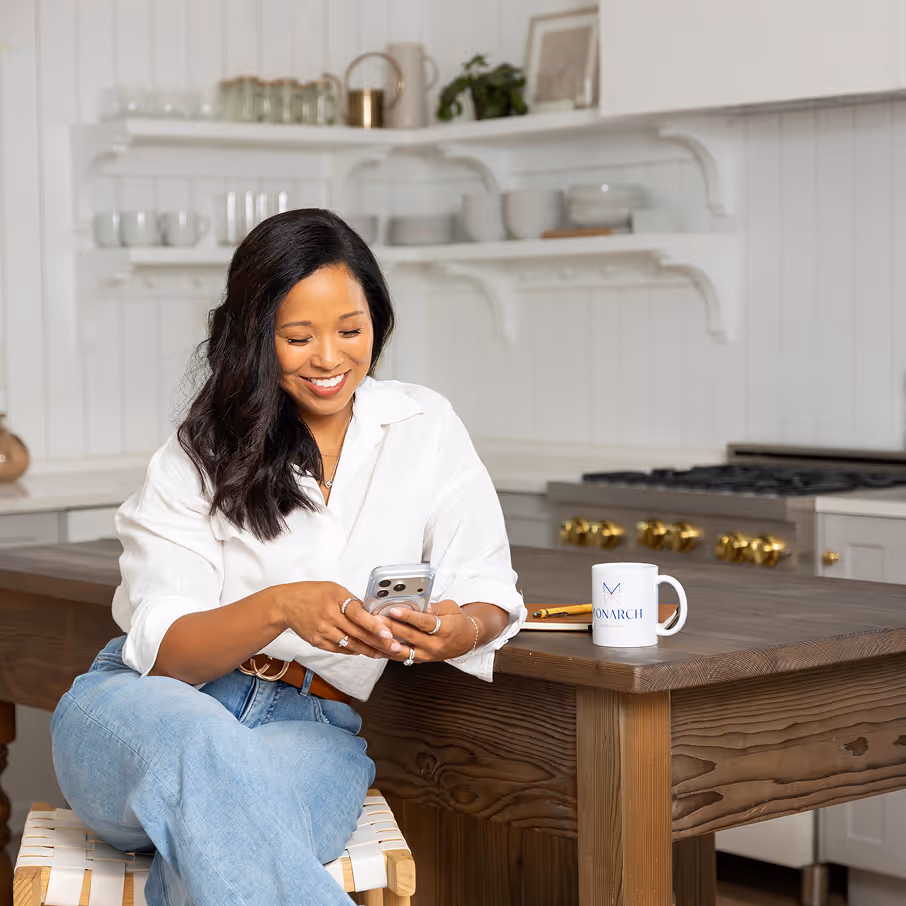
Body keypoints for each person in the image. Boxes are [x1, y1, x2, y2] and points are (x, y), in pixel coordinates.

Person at [50, 209, 526, 906]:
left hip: (311, 730)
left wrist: (462, 629)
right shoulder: (198, 455)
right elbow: (166, 652)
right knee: (202, 754)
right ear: (255, 337)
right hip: (154, 713)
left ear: (377, 323)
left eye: (351, 331)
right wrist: (281, 606)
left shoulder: (425, 429)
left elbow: (487, 585)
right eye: (298, 337)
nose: (330, 359)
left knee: (216, 841)